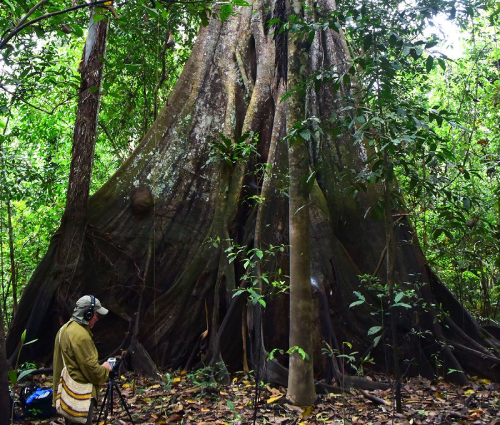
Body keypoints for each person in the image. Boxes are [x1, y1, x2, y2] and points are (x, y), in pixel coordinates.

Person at [53, 295, 112, 425]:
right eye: (96, 314)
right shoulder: (81, 337)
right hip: (80, 396)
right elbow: (93, 372)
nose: (97, 318)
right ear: (88, 314)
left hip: (66, 394)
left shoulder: (64, 329)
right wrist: (106, 369)